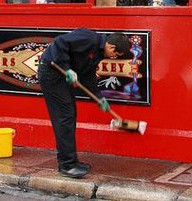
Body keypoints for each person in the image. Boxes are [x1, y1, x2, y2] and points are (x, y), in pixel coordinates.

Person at [38, 28, 130, 178]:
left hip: (61, 77)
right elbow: (59, 42)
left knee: (70, 115)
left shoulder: (98, 53)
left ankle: (70, 161)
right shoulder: (89, 38)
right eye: (115, 55)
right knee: (65, 117)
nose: (113, 57)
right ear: (112, 47)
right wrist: (67, 68)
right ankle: (67, 165)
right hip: (52, 73)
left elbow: (88, 76)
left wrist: (99, 98)